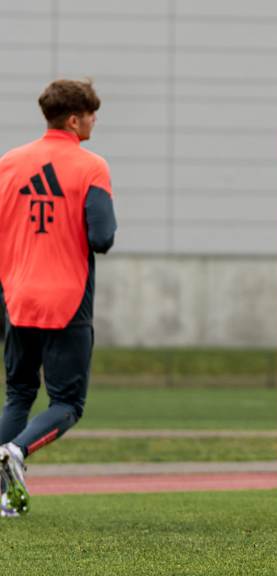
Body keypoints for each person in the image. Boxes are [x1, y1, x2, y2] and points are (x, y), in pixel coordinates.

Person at [0, 79, 117, 517]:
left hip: (15, 296)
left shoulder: (8, 163)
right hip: (66, 301)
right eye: (91, 114)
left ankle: (6, 498)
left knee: (18, 396)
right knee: (67, 403)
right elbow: (102, 237)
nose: (94, 121)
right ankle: (16, 451)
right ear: (74, 119)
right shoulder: (91, 167)